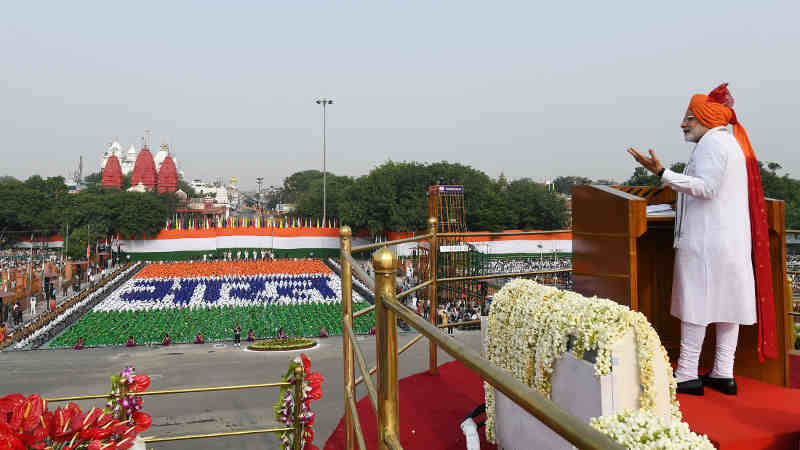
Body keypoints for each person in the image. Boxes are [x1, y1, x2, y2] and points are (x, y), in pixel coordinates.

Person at [627, 83, 775, 396]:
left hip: (707, 242)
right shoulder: (729, 143)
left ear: (707, 120)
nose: (684, 123)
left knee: (697, 305)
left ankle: (686, 373)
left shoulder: (712, 144)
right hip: (727, 241)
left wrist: (662, 172)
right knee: (727, 307)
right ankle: (723, 372)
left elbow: (706, 187)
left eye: (690, 118)